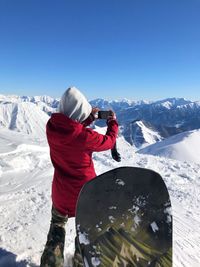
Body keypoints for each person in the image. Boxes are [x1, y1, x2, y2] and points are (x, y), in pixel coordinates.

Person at [40, 86, 118, 267]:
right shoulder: (85, 137)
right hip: (85, 193)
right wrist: (112, 122)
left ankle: (51, 262)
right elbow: (109, 142)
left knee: (57, 227)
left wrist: (89, 117)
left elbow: (69, 128)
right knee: (85, 231)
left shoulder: (51, 128)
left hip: (60, 191)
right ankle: (79, 262)